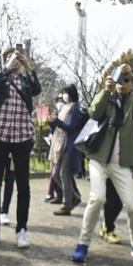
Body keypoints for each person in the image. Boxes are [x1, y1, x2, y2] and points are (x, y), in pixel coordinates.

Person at [70, 63, 133, 264]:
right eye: (120, 80)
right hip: (99, 160)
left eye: (126, 81)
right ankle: (83, 244)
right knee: (97, 199)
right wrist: (105, 91)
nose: (122, 84)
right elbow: (94, 113)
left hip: (121, 163)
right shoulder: (107, 97)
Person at [0, 46, 41, 248]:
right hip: (0, 134)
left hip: (22, 136)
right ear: (4, 61)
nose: (14, 60)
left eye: (17, 58)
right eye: (10, 58)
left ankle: (22, 229)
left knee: (23, 185)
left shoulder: (25, 81)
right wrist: (7, 67)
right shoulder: (0, 79)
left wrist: (28, 66)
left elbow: (37, 89)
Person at [50, 83, 86, 217]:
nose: (63, 95)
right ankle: (74, 197)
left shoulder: (75, 109)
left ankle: (66, 205)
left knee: (64, 175)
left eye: (65, 92)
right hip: (60, 145)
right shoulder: (65, 108)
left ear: (71, 94)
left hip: (69, 146)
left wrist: (57, 122)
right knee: (56, 174)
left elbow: (71, 127)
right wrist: (53, 122)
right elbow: (60, 127)